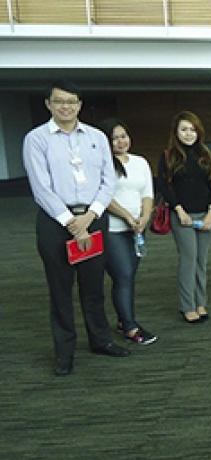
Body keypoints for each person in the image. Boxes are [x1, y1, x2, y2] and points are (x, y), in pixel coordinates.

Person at [23, 80, 129, 376]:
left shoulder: (96, 137)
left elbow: (109, 180)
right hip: (55, 222)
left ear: (80, 105)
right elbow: (40, 187)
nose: (65, 106)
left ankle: (101, 340)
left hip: (93, 218)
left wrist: (90, 216)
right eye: (59, 101)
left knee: (94, 286)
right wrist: (70, 222)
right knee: (60, 289)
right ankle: (64, 352)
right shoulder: (37, 139)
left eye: (71, 101)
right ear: (49, 104)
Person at [98, 118, 157, 345]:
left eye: (123, 136)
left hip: (137, 229)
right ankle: (130, 327)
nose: (120, 141)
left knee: (129, 276)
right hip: (113, 229)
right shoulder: (103, 164)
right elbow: (104, 198)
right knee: (123, 275)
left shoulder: (140, 162)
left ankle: (125, 319)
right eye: (114, 138)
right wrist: (127, 217)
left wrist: (144, 218)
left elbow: (147, 193)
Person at [159, 111, 211, 324]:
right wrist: (179, 210)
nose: (188, 133)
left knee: (201, 261)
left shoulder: (206, 154)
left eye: (192, 129)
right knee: (188, 260)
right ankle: (187, 305)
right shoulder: (168, 156)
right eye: (184, 129)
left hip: (205, 214)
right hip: (182, 215)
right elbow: (165, 186)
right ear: (176, 132)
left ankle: (201, 302)